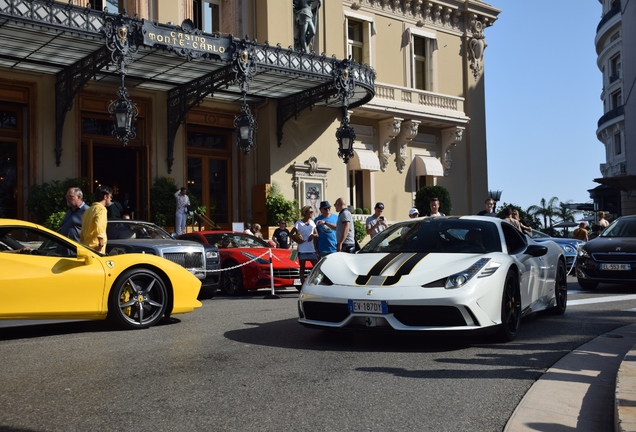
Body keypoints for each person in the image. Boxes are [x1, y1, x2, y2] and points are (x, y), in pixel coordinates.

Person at [290, 206, 318, 284]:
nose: (312, 213)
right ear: (305, 213)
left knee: (316, 267)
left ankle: (314, 282)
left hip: (311, 249)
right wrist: (297, 240)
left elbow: (317, 234)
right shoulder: (298, 223)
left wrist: (313, 236)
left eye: (312, 212)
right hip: (302, 249)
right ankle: (303, 285)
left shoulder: (312, 222)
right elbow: (290, 234)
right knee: (302, 268)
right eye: (310, 212)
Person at [80, 185, 112, 252]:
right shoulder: (101, 209)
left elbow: (83, 230)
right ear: (105, 197)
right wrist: (100, 244)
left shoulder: (88, 210)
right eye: (110, 197)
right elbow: (99, 226)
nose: (111, 199)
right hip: (96, 247)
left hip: (86, 246)